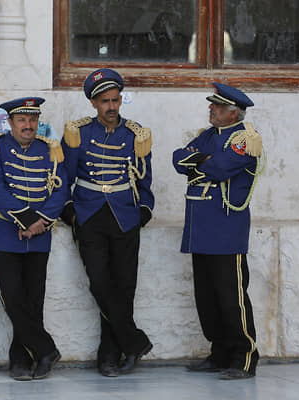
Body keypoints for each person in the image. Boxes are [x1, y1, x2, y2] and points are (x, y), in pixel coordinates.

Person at [60, 69, 154, 377]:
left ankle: (110, 355)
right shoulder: (78, 132)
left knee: (124, 287)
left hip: (125, 213)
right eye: (105, 101)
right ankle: (133, 340)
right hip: (89, 213)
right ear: (93, 103)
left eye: (115, 100)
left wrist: (145, 209)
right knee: (100, 283)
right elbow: (64, 176)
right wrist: (69, 209)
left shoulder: (136, 133)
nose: (112, 107)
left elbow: (145, 179)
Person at [172, 82, 264, 380]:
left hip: (226, 229)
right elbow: (177, 159)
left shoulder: (244, 139)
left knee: (231, 298)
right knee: (207, 297)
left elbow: (221, 168)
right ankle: (220, 353)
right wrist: (203, 162)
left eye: (219, 107)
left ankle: (245, 357)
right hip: (200, 228)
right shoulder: (208, 136)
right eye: (212, 106)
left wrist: (199, 163)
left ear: (234, 113)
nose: (211, 110)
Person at [0, 97, 68, 381]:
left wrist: (40, 222)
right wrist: (28, 219)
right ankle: (46, 348)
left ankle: (22, 360)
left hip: (39, 233)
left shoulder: (50, 150)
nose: (28, 125)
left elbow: (61, 190)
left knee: (34, 299)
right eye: (22, 120)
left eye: (32, 120)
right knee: (12, 297)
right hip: (5, 231)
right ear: (10, 122)